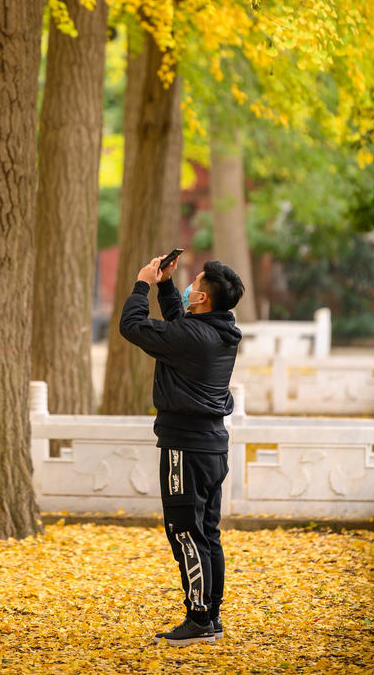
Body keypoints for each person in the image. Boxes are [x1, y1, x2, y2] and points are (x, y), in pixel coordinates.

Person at [119, 254, 245, 648]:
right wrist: (167, 287)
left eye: (194, 285)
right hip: (211, 448)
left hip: (184, 449)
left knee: (185, 533)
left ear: (203, 299)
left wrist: (142, 284)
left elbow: (133, 327)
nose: (190, 287)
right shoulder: (219, 332)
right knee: (207, 533)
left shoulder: (194, 338)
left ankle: (198, 619)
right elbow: (181, 328)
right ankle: (212, 614)